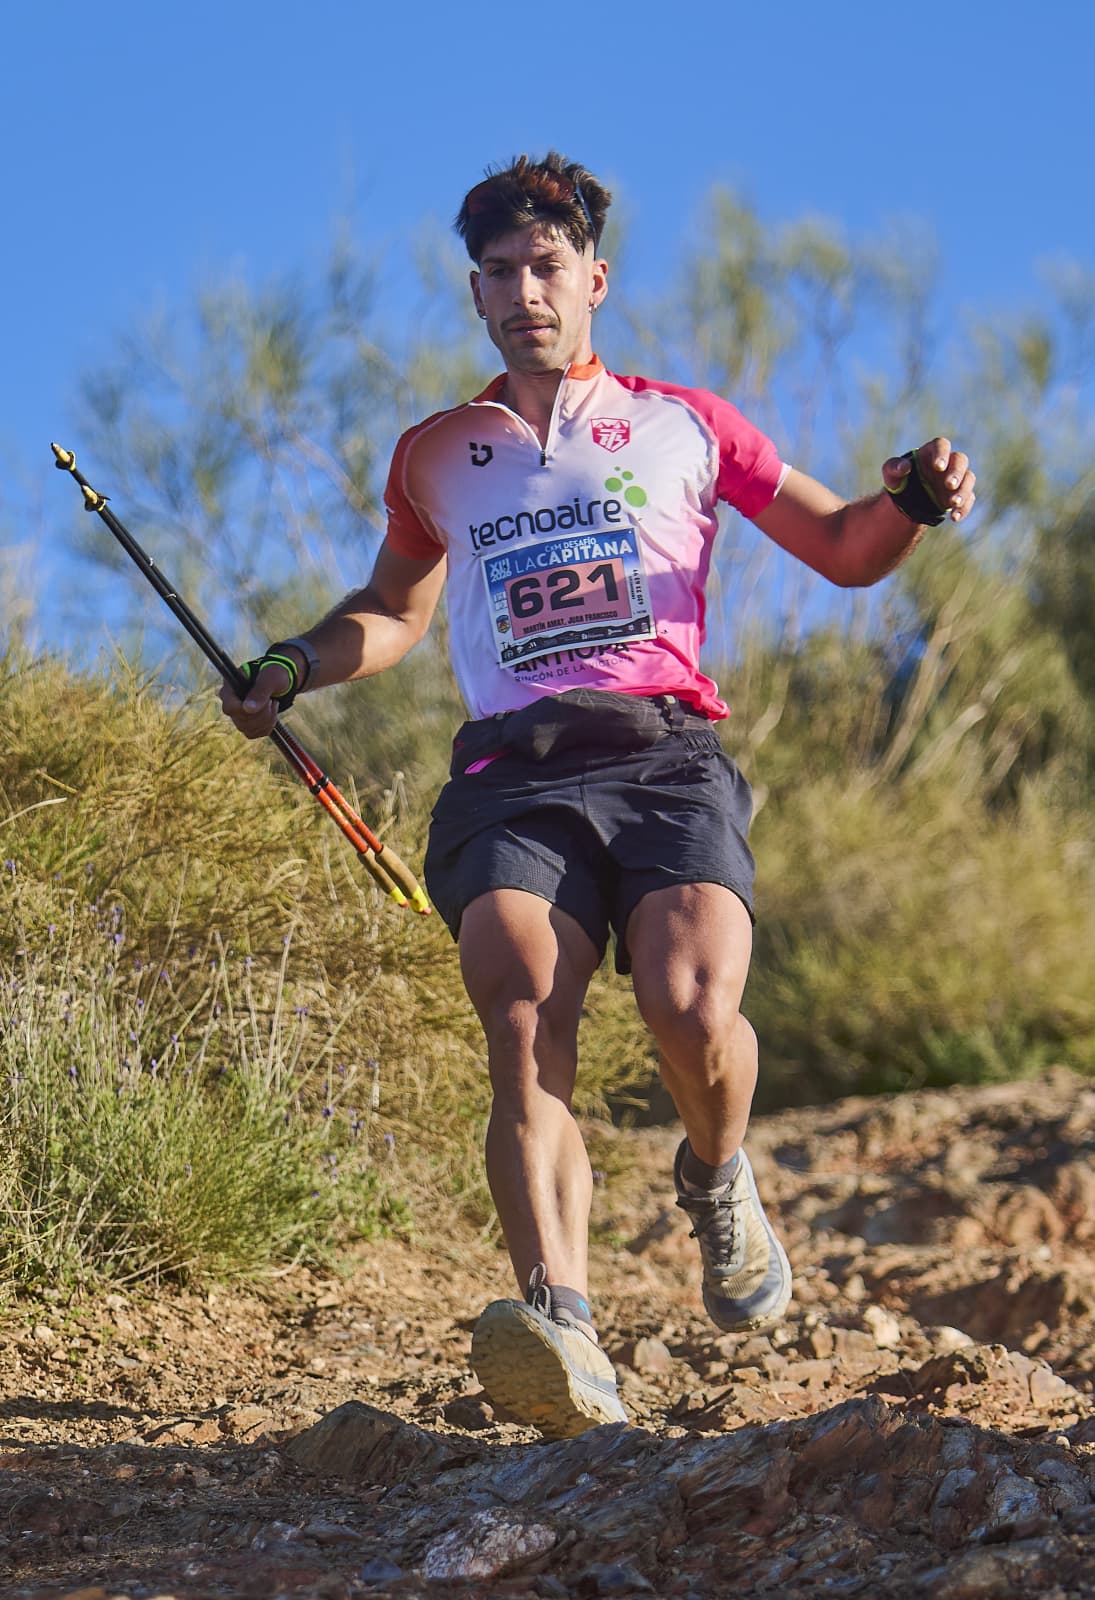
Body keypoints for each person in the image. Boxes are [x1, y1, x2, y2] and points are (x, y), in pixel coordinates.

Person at [221, 152, 976, 1441]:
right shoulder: (436, 457)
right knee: (523, 1022)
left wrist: (911, 501)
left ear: (595, 280)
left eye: (549, 267)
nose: (527, 291)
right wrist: (293, 665)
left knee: (692, 1009)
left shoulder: (690, 423)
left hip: (665, 757)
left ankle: (717, 1170)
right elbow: (391, 614)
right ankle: (562, 1327)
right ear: (475, 294)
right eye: (502, 274)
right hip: (513, 777)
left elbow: (846, 549)